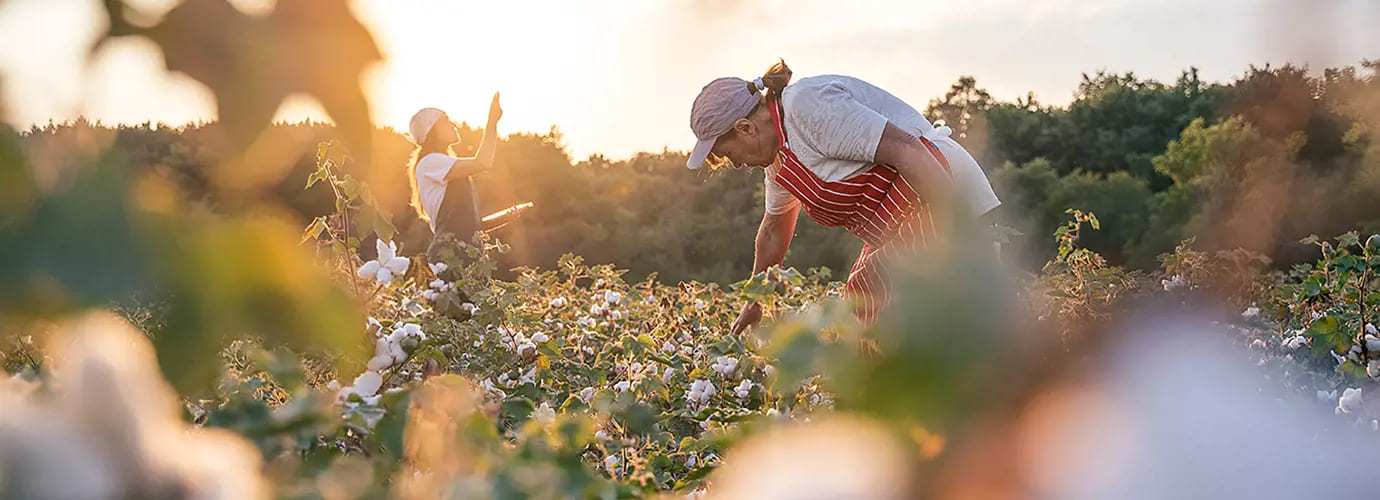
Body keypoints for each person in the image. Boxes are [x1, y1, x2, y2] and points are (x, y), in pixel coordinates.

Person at [685, 60, 1001, 332]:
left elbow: (909, 151)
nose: (736, 163)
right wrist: (755, 302)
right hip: (904, 231)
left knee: (921, 335)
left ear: (745, 128)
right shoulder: (780, 159)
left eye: (727, 154)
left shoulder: (807, 107)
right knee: (865, 318)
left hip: (946, 198)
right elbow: (772, 232)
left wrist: (959, 235)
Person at [406, 93, 506, 267]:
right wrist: (492, 122)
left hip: (465, 255)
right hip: (450, 256)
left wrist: (504, 217)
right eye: (445, 120)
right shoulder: (430, 162)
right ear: (432, 129)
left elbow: (467, 228)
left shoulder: (444, 167)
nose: (453, 124)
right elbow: (483, 162)